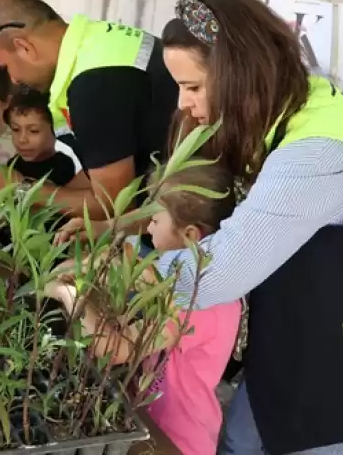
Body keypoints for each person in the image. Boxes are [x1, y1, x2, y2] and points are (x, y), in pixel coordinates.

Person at [58, 0, 343, 454]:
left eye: (193, 87)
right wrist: (117, 228)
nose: (184, 104)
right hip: (301, 341)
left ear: (239, 73)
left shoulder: (318, 151)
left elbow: (216, 273)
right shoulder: (289, 105)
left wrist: (105, 279)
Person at [46, 161, 241, 455]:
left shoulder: (198, 298)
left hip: (177, 439)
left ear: (190, 235)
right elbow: (134, 275)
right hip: (149, 419)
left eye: (155, 220)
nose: (147, 227)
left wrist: (69, 293)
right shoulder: (186, 273)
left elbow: (114, 349)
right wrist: (92, 265)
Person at [0, 0, 179, 222]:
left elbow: (114, 206)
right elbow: (110, 161)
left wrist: (20, 189)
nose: (13, 79)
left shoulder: (92, 88)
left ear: (24, 47)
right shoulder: (97, 40)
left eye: (7, 67)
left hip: (177, 218)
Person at [1, 88, 88, 193]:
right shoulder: (13, 165)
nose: (22, 139)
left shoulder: (62, 165)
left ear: (55, 130)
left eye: (34, 131)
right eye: (15, 129)